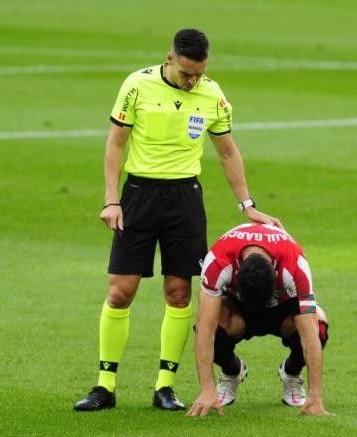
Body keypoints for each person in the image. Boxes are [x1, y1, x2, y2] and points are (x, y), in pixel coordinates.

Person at [74, 29, 281, 412]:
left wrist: (247, 205)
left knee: (179, 292)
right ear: (169, 58)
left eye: (199, 74)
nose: (193, 81)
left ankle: (164, 386)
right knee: (121, 291)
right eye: (187, 74)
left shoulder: (212, 95)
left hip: (184, 199)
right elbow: (116, 142)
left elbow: (227, 152)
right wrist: (111, 199)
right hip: (138, 196)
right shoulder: (137, 86)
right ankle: (104, 385)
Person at [187, 223, 330, 417]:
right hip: (239, 308)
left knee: (318, 325)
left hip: (282, 308)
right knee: (212, 322)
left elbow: (310, 336)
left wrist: (316, 396)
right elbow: (205, 328)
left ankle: (292, 373)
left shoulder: (295, 266)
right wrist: (206, 388)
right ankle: (231, 372)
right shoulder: (218, 262)